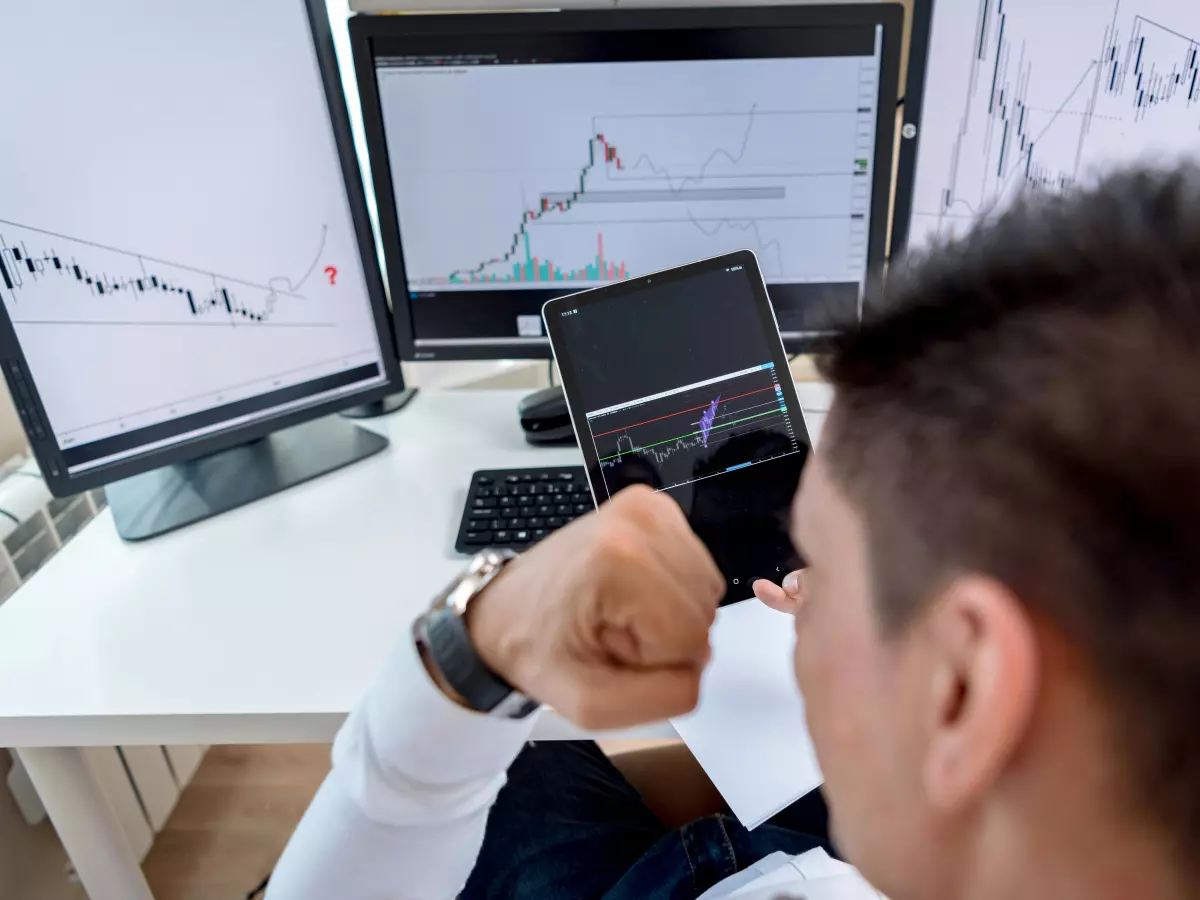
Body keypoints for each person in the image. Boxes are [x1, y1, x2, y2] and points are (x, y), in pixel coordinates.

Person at [266, 165, 1200, 900]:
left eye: (829, 565)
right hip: (816, 856)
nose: (802, 602)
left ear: (963, 688)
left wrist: (472, 645)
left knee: (511, 774)